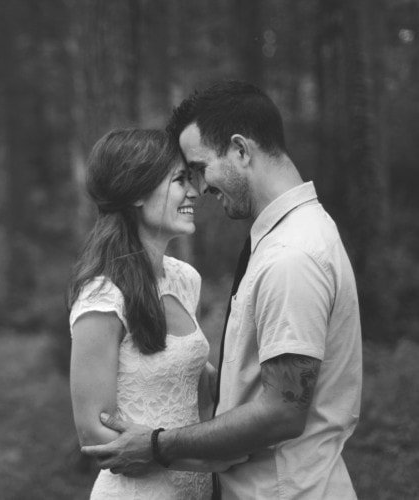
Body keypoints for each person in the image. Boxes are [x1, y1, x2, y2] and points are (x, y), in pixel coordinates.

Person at [81, 82, 363, 500]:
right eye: (183, 177)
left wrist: (159, 445)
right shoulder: (283, 238)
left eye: (198, 167)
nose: (199, 187)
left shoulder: (292, 254)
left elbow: (282, 412)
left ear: (240, 151)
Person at [68, 128, 246, 499]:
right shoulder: (103, 297)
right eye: (179, 180)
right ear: (136, 192)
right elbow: (94, 434)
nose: (194, 192)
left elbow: (191, 383)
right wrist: (207, 459)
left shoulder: (185, 279)